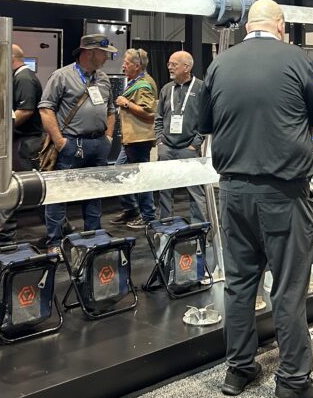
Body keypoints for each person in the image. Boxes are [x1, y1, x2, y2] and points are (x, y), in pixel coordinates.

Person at [198, 0, 313, 398]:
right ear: (280, 25)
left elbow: (203, 124)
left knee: (240, 284)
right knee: (289, 287)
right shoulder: (295, 60)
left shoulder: (219, 64)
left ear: (247, 26)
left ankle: (239, 368)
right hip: (283, 193)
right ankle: (292, 380)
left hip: (234, 191)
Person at [38, 34, 117, 247]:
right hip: (71, 144)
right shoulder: (61, 76)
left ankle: (93, 238)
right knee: (59, 193)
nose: (107, 57)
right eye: (104, 53)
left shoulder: (103, 78)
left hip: (98, 143)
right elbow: (46, 109)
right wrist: (60, 141)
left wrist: (108, 137)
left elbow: (111, 110)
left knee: (94, 192)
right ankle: (55, 242)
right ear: (89, 52)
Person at [0, 45, 46, 247]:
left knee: (30, 187)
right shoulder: (20, 77)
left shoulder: (24, 78)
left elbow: (25, 110)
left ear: (11, 58)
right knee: (24, 186)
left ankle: (4, 233)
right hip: (22, 141)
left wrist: (1, 131)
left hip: (27, 142)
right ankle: (4, 232)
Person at [154, 51, 207, 222]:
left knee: (195, 190)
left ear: (187, 67)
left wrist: (195, 144)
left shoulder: (201, 88)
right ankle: (165, 225)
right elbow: (159, 117)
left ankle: (200, 227)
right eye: (169, 64)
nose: (169, 67)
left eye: (174, 64)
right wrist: (160, 141)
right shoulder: (166, 89)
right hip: (167, 147)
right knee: (164, 189)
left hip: (189, 148)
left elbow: (206, 119)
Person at [111, 48, 159, 229]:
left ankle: (148, 216)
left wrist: (126, 103)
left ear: (137, 66)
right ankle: (131, 209)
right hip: (131, 139)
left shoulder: (144, 84)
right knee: (118, 172)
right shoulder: (136, 81)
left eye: (126, 63)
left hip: (139, 140)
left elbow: (150, 113)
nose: (123, 66)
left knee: (142, 177)